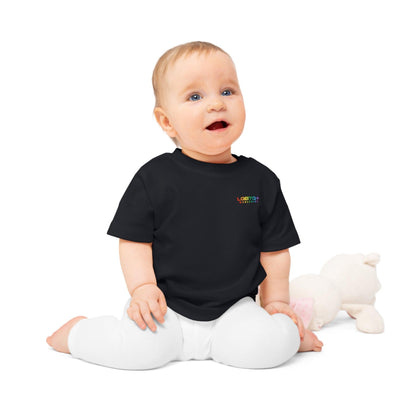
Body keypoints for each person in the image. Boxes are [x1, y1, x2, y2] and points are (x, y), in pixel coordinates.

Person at [46, 41, 323, 370]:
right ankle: (77, 334)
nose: (216, 104)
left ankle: (286, 334)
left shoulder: (261, 181)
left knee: (267, 349)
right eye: (195, 96)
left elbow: (274, 251)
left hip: (236, 310)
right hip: (166, 307)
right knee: (137, 351)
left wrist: (276, 302)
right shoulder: (154, 178)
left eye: (228, 91)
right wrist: (143, 288)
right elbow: (134, 242)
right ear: (167, 122)